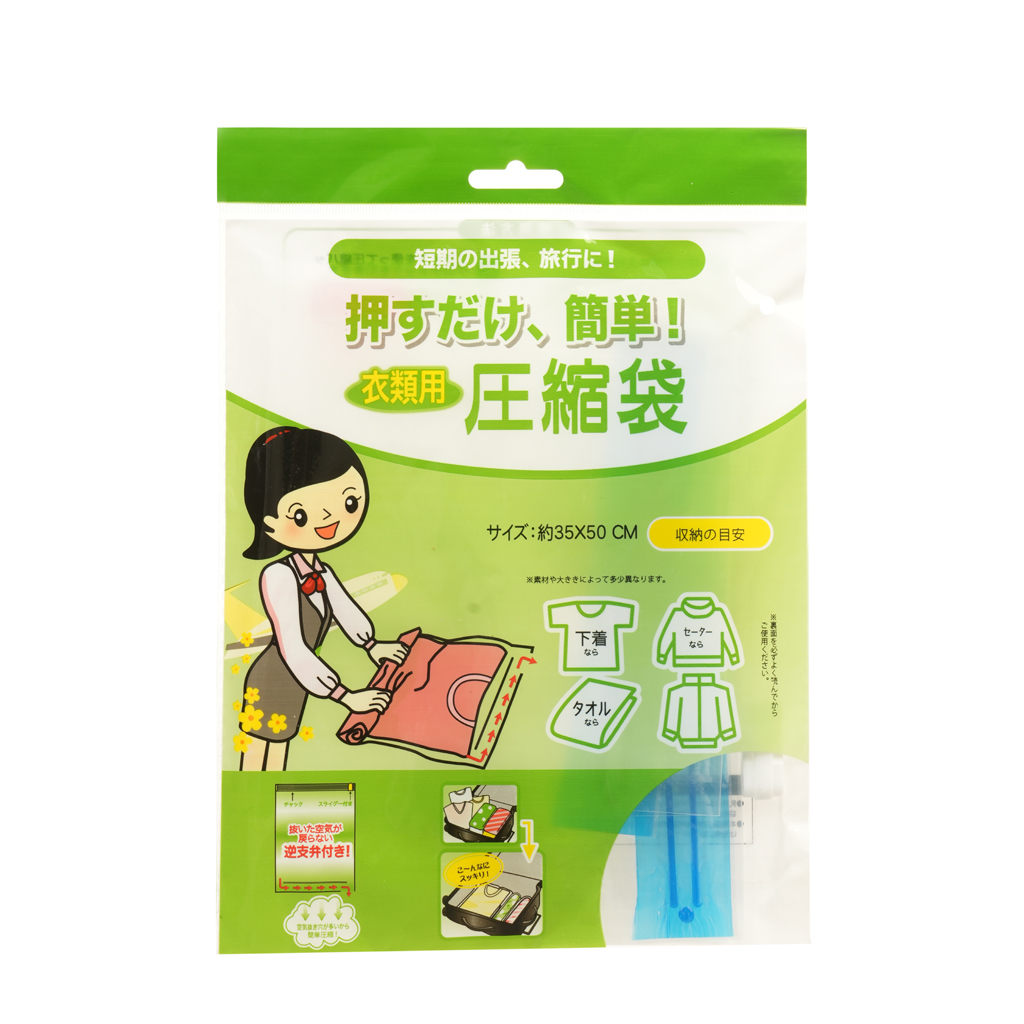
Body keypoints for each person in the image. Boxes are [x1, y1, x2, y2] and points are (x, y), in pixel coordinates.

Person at [235, 426, 408, 770]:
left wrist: (373, 646)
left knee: (277, 758)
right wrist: (346, 697)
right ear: (268, 519)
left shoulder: (321, 571)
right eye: (301, 514)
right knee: (257, 764)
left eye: (348, 502)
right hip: (274, 679)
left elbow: (346, 611)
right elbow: (293, 648)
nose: (329, 519)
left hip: (300, 679)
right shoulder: (278, 575)